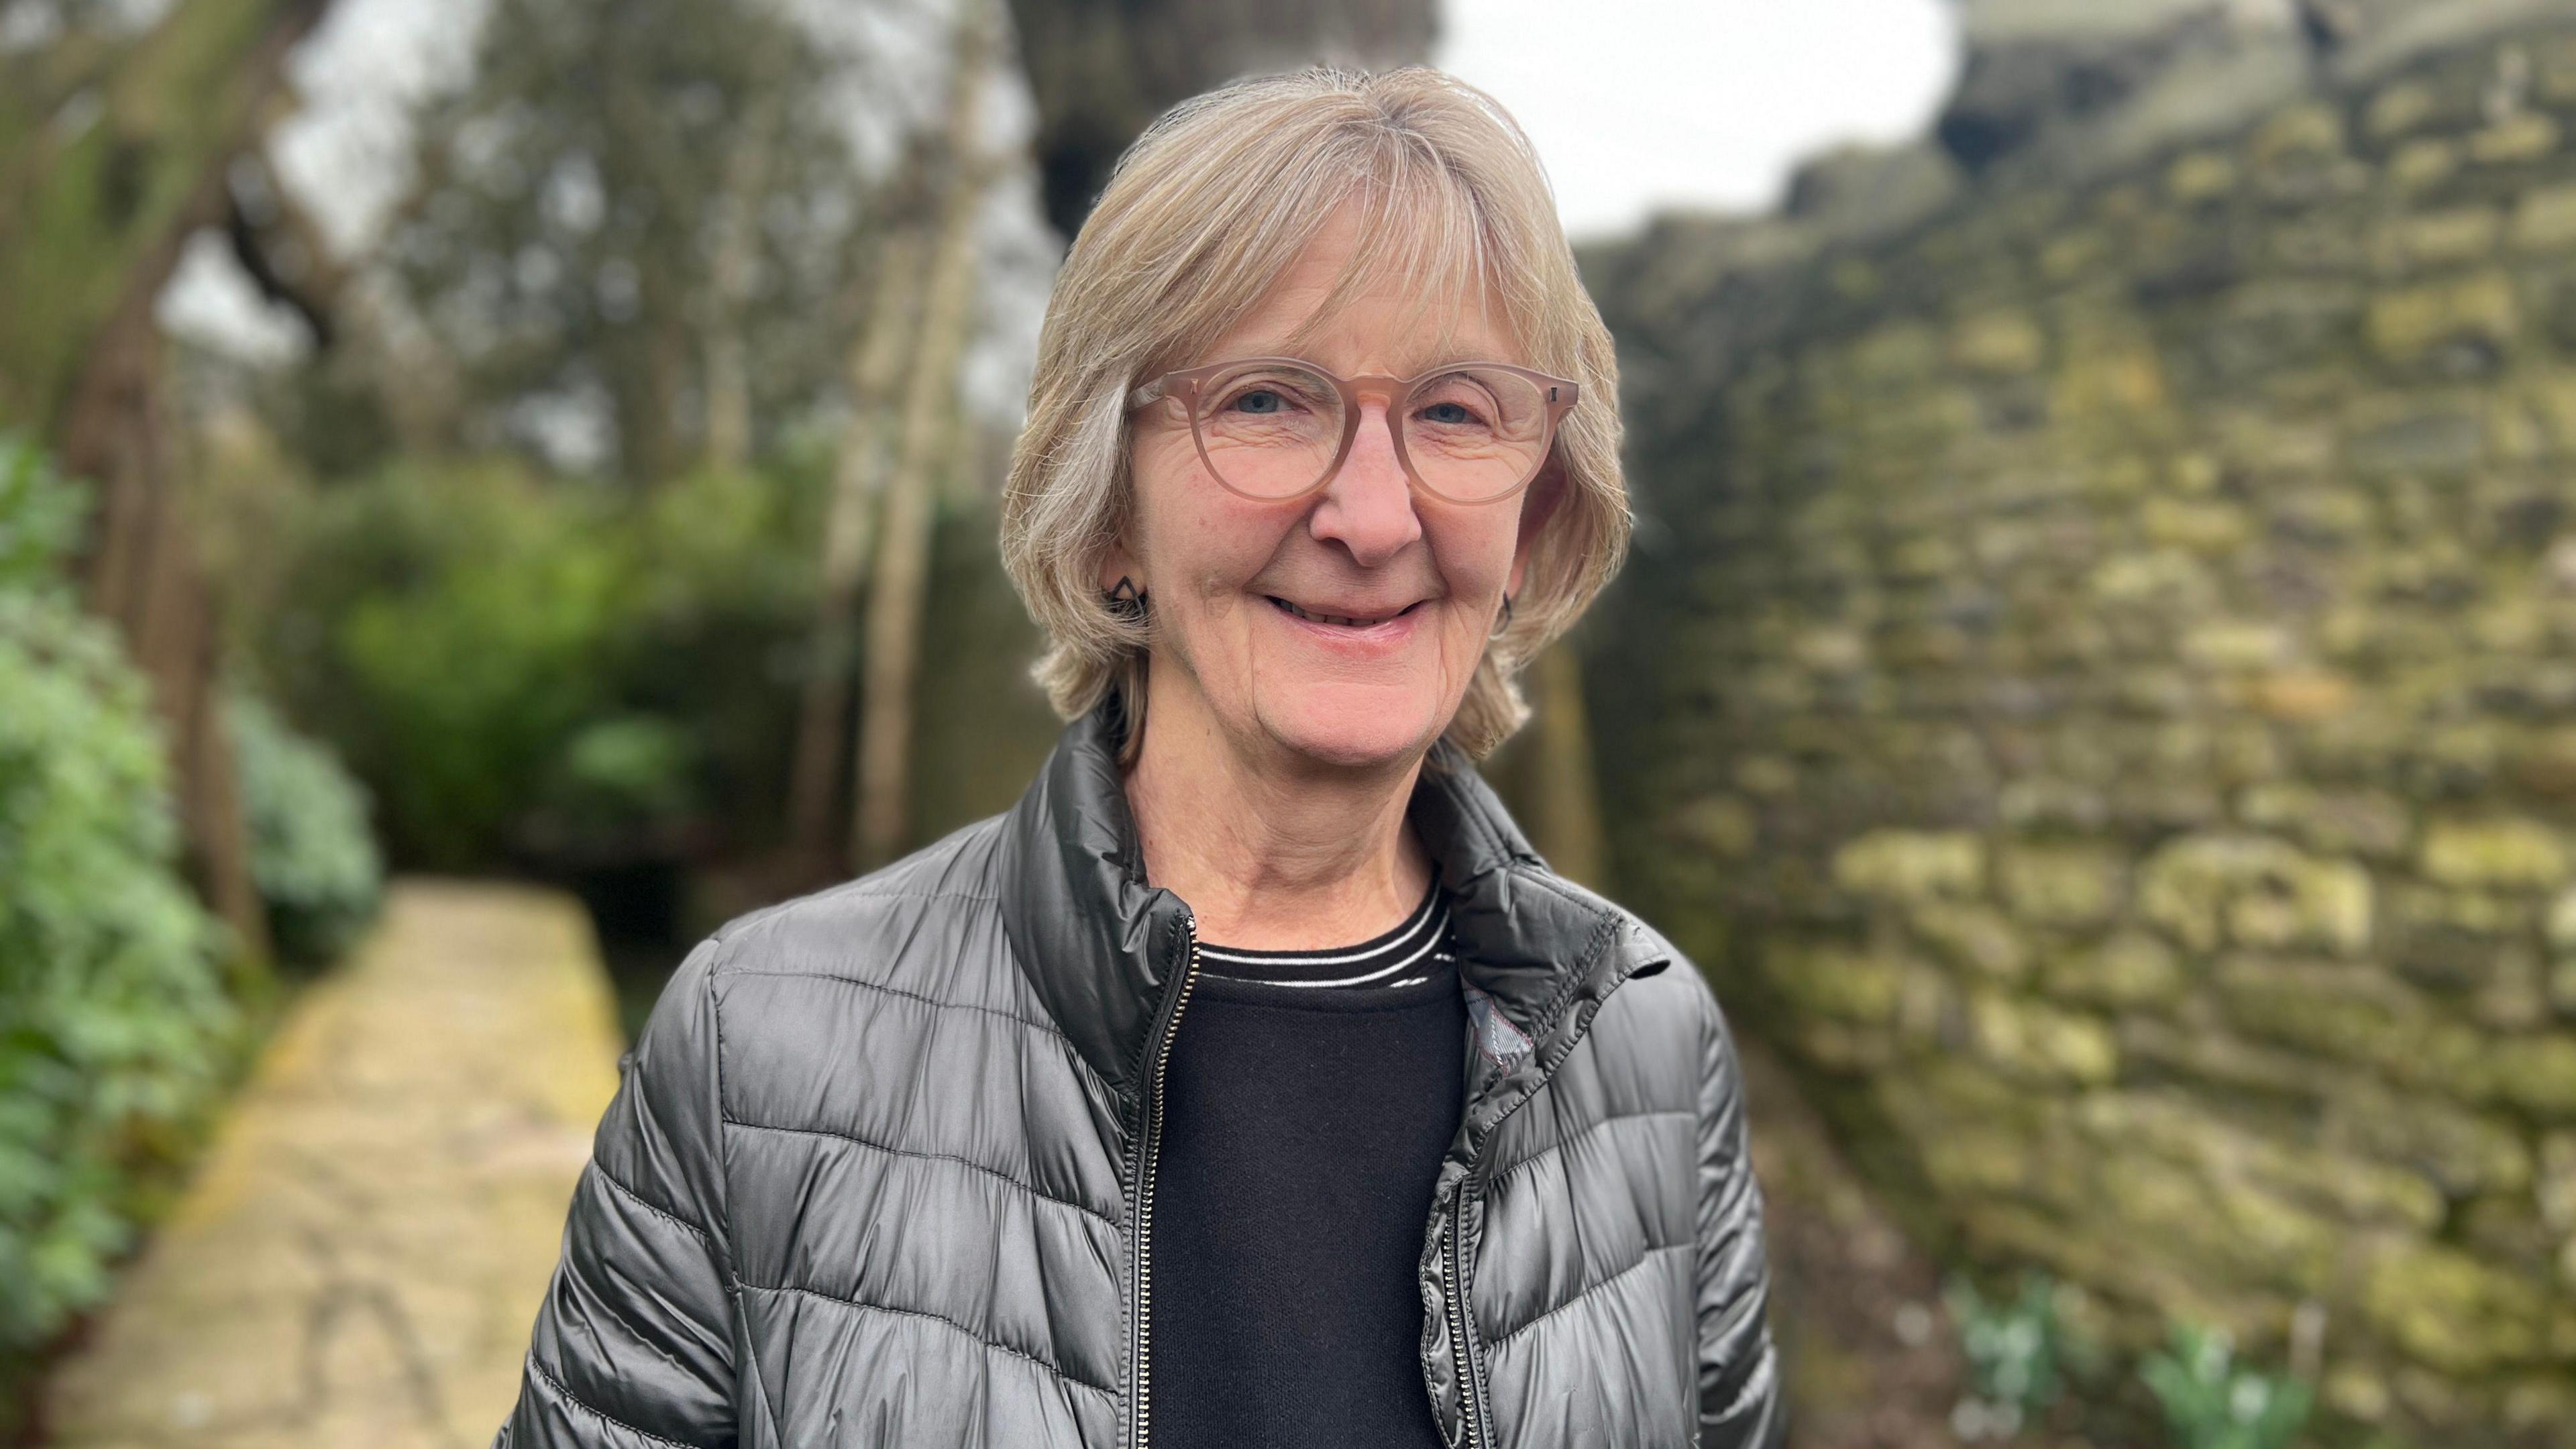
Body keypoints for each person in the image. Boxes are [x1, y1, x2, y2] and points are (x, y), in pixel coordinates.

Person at [494, 63, 1783, 1449]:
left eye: (1457, 412)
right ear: (1109, 510)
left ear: (1533, 510)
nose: (1370, 513)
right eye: (1267, 401)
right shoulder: (761, 1051)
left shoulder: (1649, 1046)